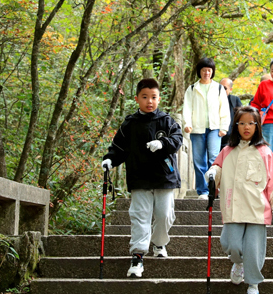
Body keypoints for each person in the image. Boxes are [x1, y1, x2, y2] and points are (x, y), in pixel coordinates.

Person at [101, 78, 183, 278]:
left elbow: (178, 139)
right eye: (145, 97)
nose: (149, 101)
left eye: (153, 97)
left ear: (159, 98)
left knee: (164, 215)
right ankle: (137, 256)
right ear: (137, 98)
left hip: (164, 177)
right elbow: (119, 147)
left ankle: (159, 242)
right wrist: (110, 160)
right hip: (139, 177)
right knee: (140, 216)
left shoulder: (167, 120)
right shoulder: (130, 124)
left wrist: (163, 143)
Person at [205, 106, 273, 294]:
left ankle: (253, 283)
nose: (246, 127)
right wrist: (212, 172)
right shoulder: (227, 150)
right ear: (236, 125)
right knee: (230, 243)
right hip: (233, 206)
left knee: (254, 249)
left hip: (258, 208)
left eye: (251, 123)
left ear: (258, 126)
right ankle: (238, 263)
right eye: (242, 123)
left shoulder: (265, 152)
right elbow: (217, 168)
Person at [182, 57, 230, 199]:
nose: (206, 73)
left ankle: (214, 189)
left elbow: (224, 108)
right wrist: (187, 123)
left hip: (215, 128)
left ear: (212, 72)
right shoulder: (192, 89)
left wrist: (224, 127)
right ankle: (202, 191)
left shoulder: (219, 88)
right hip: (197, 129)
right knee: (198, 161)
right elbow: (187, 108)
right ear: (199, 71)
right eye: (204, 70)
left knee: (214, 159)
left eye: (209, 70)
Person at [220, 77, 243, 150]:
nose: (222, 90)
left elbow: (241, 116)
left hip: (231, 137)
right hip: (216, 135)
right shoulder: (213, 99)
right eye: (220, 87)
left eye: (225, 88)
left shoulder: (235, 100)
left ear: (230, 89)